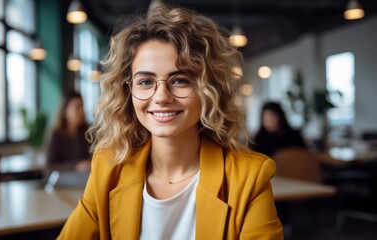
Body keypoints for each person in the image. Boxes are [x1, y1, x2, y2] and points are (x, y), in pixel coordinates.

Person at [58, 4, 283, 240]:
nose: (162, 97)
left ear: (207, 89)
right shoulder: (107, 168)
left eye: (180, 80)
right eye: (145, 82)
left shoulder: (250, 177)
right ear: (128, 92)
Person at [46, 91, 91, 172]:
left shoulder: (88, 132)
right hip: (62, 182)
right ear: (65, 110)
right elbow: (50, 166)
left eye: (82, 107)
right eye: (77, 107)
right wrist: (77, 166)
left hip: (84, 179)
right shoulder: (56, 134)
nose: (81, 112)